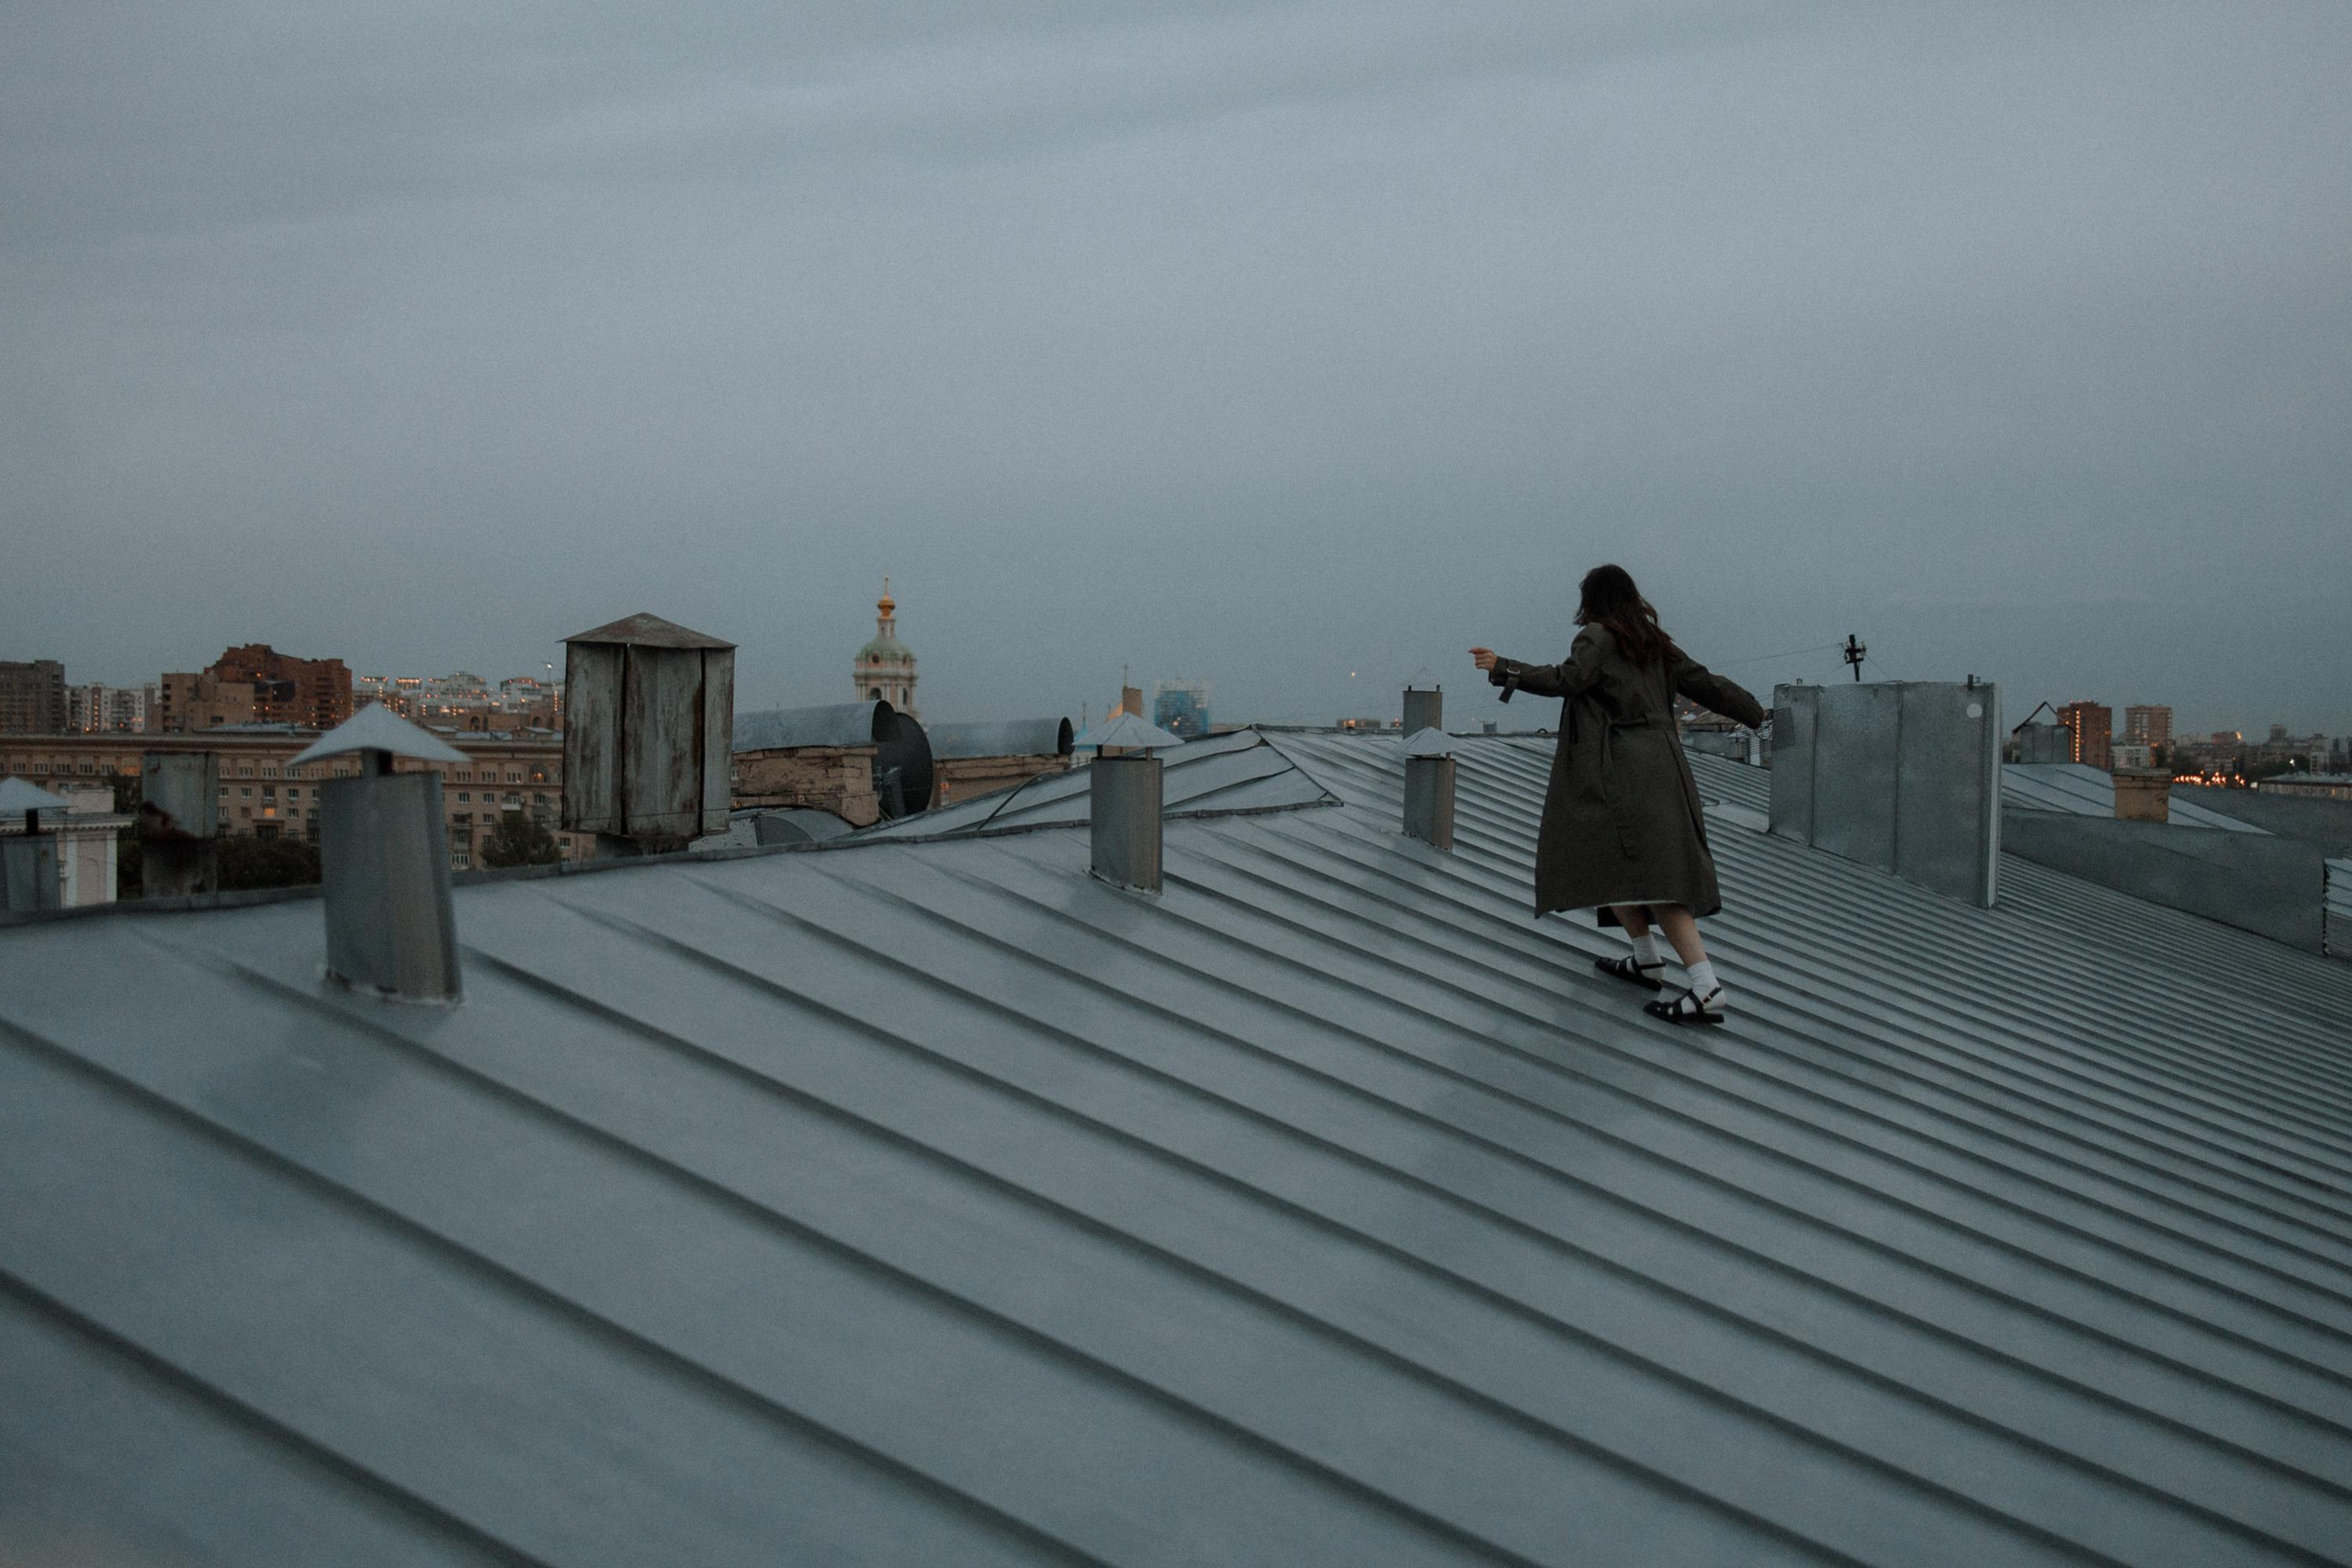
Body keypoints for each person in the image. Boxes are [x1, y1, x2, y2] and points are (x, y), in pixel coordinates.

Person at [1471, 564, 1766, 1024]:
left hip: (1621, 767)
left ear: (1593, 600)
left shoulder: (1598, 637)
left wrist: (1503, 667)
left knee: (1656, 879)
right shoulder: (1652, 642)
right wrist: (1754, 712)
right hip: (1663, 764)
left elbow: (1567, 680)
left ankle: (1706, 987)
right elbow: (1706, 684)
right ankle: (1647, 958)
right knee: (1612, 861)